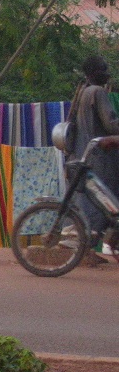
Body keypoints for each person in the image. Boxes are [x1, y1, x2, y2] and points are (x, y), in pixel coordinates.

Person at [69, 55, 119, 261]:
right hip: (100, 157)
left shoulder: (83, 91)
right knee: (105, 203)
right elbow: (111, 123)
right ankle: (92, 244)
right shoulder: (97, 92)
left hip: (85, 153)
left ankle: (94, 247)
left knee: (91, 202)